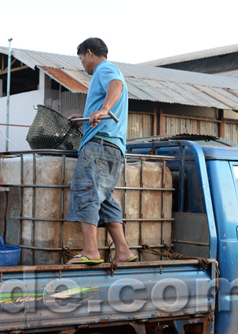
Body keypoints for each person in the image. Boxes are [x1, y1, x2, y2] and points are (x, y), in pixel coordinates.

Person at [66, 37, 137, 264]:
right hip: (113, 148)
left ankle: (90, 251)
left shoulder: (104, 69)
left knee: (85, 192)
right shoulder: (104, 72)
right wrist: (85, 118)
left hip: (98, 146)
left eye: (81, 59)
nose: (83, 65)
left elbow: (117, 84)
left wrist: (105, 108)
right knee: (104, 199)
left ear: (89, 53)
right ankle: (124, 251)